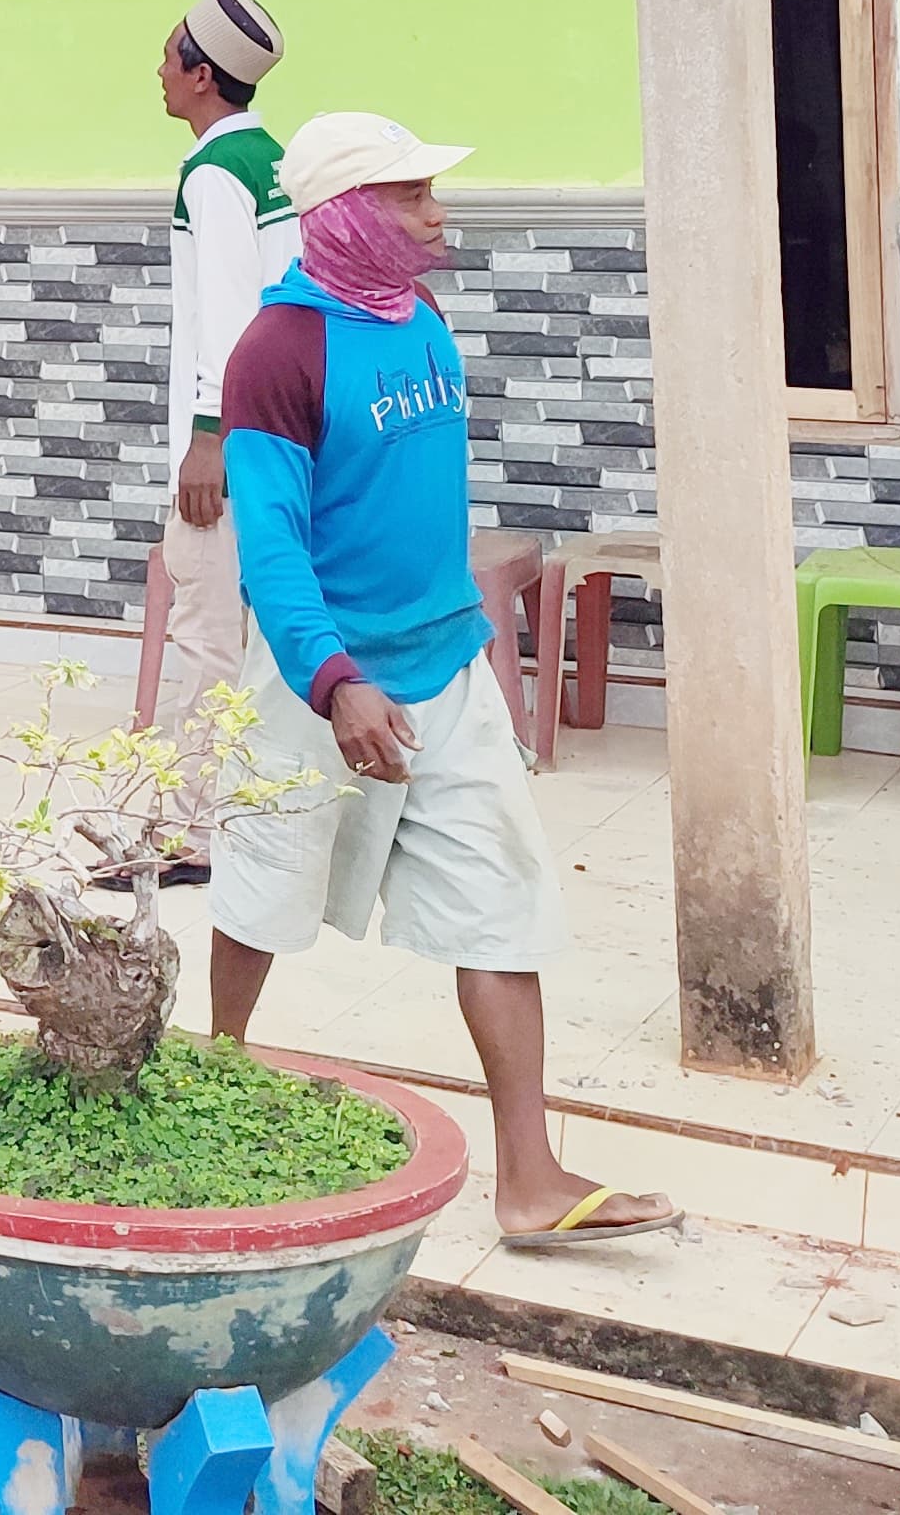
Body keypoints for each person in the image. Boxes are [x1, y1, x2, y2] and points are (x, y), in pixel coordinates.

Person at [206, 112, 677, 1249]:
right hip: (321, 683)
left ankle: (529, 1181)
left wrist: (471, 654)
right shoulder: (276, 353)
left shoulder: (418, 318)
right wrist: (334, 681)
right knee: (260, 898)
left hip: (445, 671)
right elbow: (269, 547)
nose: (436, 214)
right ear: (348, 215)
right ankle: (209, 1091)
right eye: (412, 195)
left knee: (502, 912)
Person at [153, 0, 297, 812]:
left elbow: (231, 315)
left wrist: (208, 438)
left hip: (232, 443)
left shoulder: (213, 173)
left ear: (203, 76)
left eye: (169, 56)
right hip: (283, 435)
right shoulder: (273, 157)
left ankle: (192, 828)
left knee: (206, 635)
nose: (159, 71)